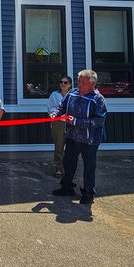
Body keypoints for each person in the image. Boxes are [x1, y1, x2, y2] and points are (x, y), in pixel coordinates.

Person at [51, 69, 107, 204]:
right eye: (79, 81)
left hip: (89, 139)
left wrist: (76, 121)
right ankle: (67, 187)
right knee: (68, 163)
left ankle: (88, 193)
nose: (79, 85)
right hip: (72, 136)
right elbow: (61, 107)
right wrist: (55, 113)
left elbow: (98, 121)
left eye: (83, 82)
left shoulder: (97, 99)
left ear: (93, 84)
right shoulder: (72, 93)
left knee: (89, 167)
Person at [47, 75, 73, 178]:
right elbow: (50, 108)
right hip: (58, 123)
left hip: (71, 123)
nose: (63, 84)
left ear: (70, 85)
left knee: (72, 147)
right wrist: (54, 115)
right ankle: (58, 168)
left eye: (65, 82)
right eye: (61, 82)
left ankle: (70, 169)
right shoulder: (54, 95)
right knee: (59, 146)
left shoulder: (73, 96)